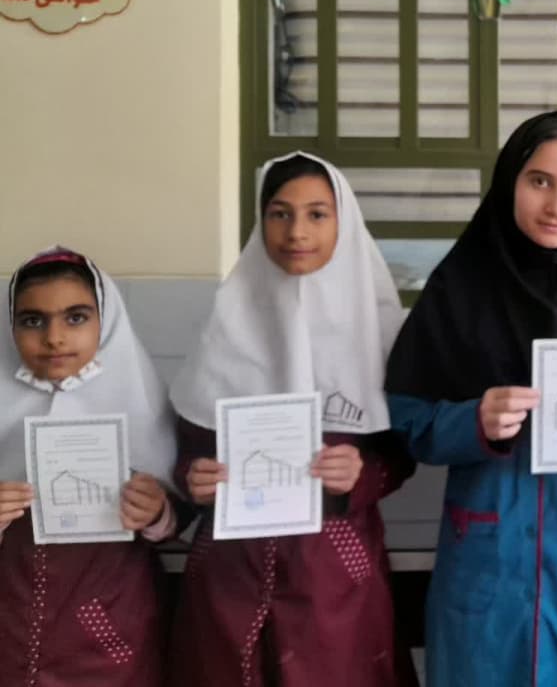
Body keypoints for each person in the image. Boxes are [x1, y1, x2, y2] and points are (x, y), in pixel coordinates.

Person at [385, 110, 557, 686]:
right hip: (486, 564)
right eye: (540, 181)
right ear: (509, 181)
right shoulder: (458, 289)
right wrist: (474, 422)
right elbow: (405, 422)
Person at [168, 153, 416, 686]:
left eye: (316, 214)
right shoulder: (225, 325)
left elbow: (402, 453)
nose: (296, 232)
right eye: (279, 214)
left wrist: (362, 474)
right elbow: (187, 448)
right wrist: (194, 477)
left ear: (342, 222)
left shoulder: (382, 331)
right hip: (230, 576)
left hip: (335, 578)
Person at [0, 248, 182, 685]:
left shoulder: (142, 405)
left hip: (110, 629)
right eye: (33, 320)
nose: (55, 338)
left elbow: (179, 516)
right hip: (10, 623)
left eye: (76, 318)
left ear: (107, 322)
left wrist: (157, 512)